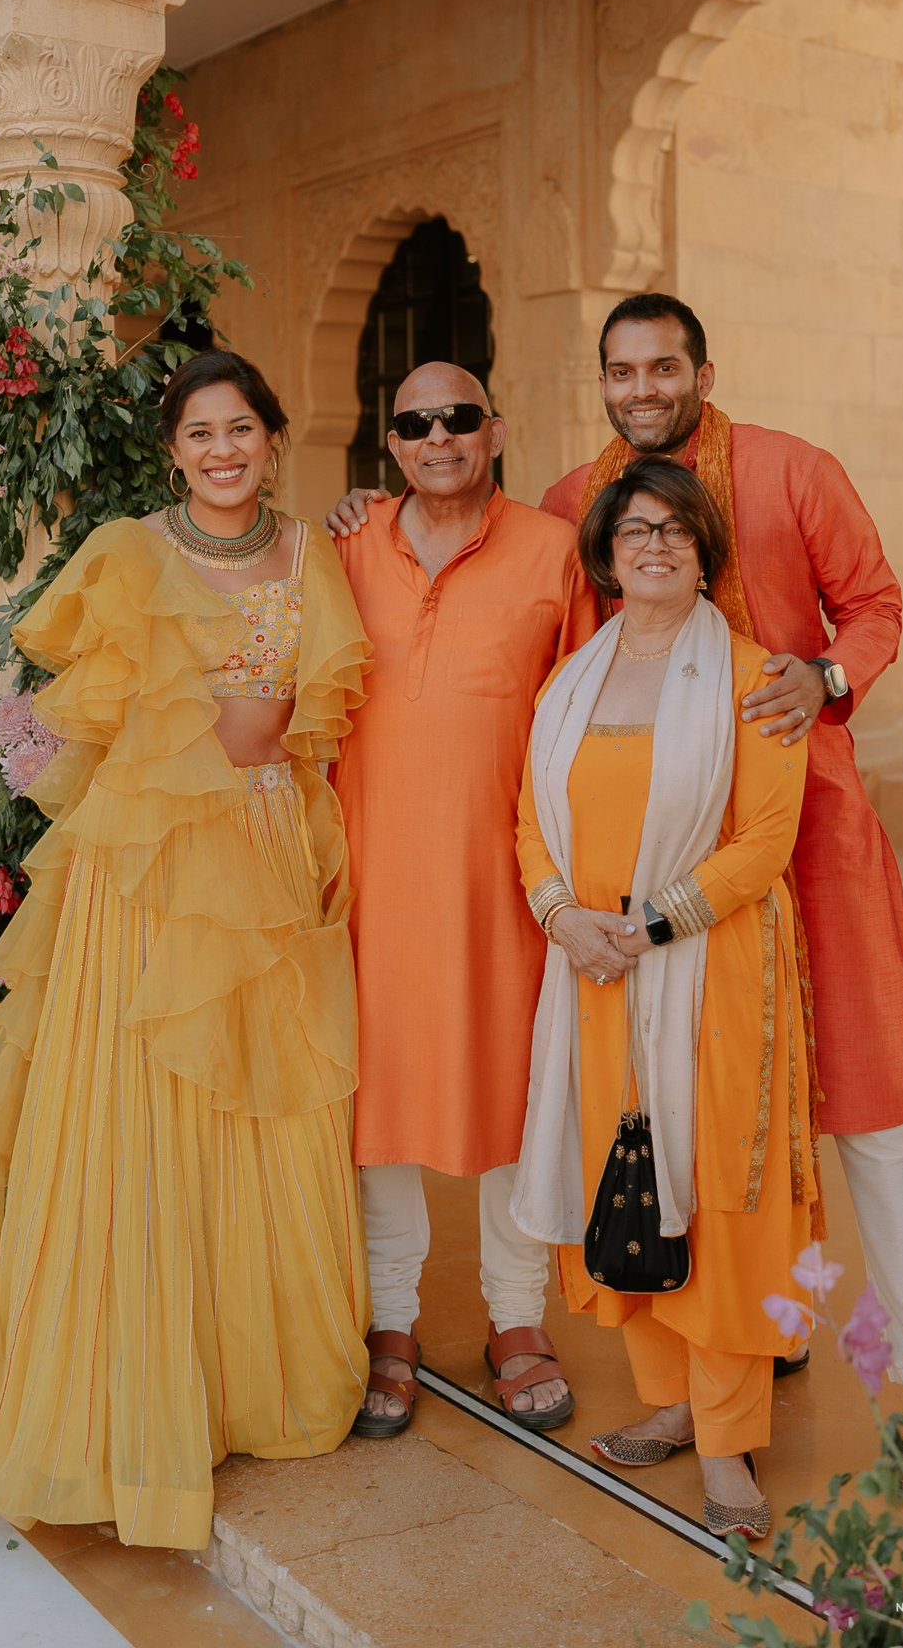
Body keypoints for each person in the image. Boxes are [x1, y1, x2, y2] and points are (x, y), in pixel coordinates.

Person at [0, 349, 372, 1645]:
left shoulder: (311, 554)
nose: (224, 449)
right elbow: (59, 722)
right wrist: (178, 743)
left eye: (243, 427)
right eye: (201, 432)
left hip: (267, 865)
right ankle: (132, 1417)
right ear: (173, 450)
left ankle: (248, 1386)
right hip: (147, 886)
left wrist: (269, 746)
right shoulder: (128, 552)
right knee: (146, 1129)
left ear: (272, 438)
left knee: (260, 1115)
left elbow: (325, 719)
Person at [539, 293, 903, 1450]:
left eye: (662, 368)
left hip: (809, 832)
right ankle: (753, 1328)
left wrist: (825, 677)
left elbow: (872, 607)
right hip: (657, 865)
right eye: (620, 371)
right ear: (601, 384)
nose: (642, 389)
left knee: (866, 1102)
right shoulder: (579, 504)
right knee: (695, 1107)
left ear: (700, 371)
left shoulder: (789, 471)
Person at [513, 456, 813, 1539]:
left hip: (708, 972)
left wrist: (643, 929)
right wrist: (562, 916)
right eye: (633, 530)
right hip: (591, 973)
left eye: (675, 531)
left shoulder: (751, 678)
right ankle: (672, 1404)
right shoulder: (570, 680)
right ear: (602, 552)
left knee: (716, 1200)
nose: (653, 546)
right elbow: (526, 822)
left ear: (703, 552)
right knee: (624, 1179)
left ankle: (730, 1448)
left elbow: (764, 845)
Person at [328, 361, 600, 1437]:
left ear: (494, 428)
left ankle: (515, 1322)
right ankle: (389, 1322)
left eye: (458, 417)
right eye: (414, 422)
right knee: (378, 1102)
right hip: (370, 878)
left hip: (507, 880)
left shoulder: (551, 551)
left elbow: (584, 713)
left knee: (512, 1093)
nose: (437, 436)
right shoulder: (345, 548)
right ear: (388, 443)